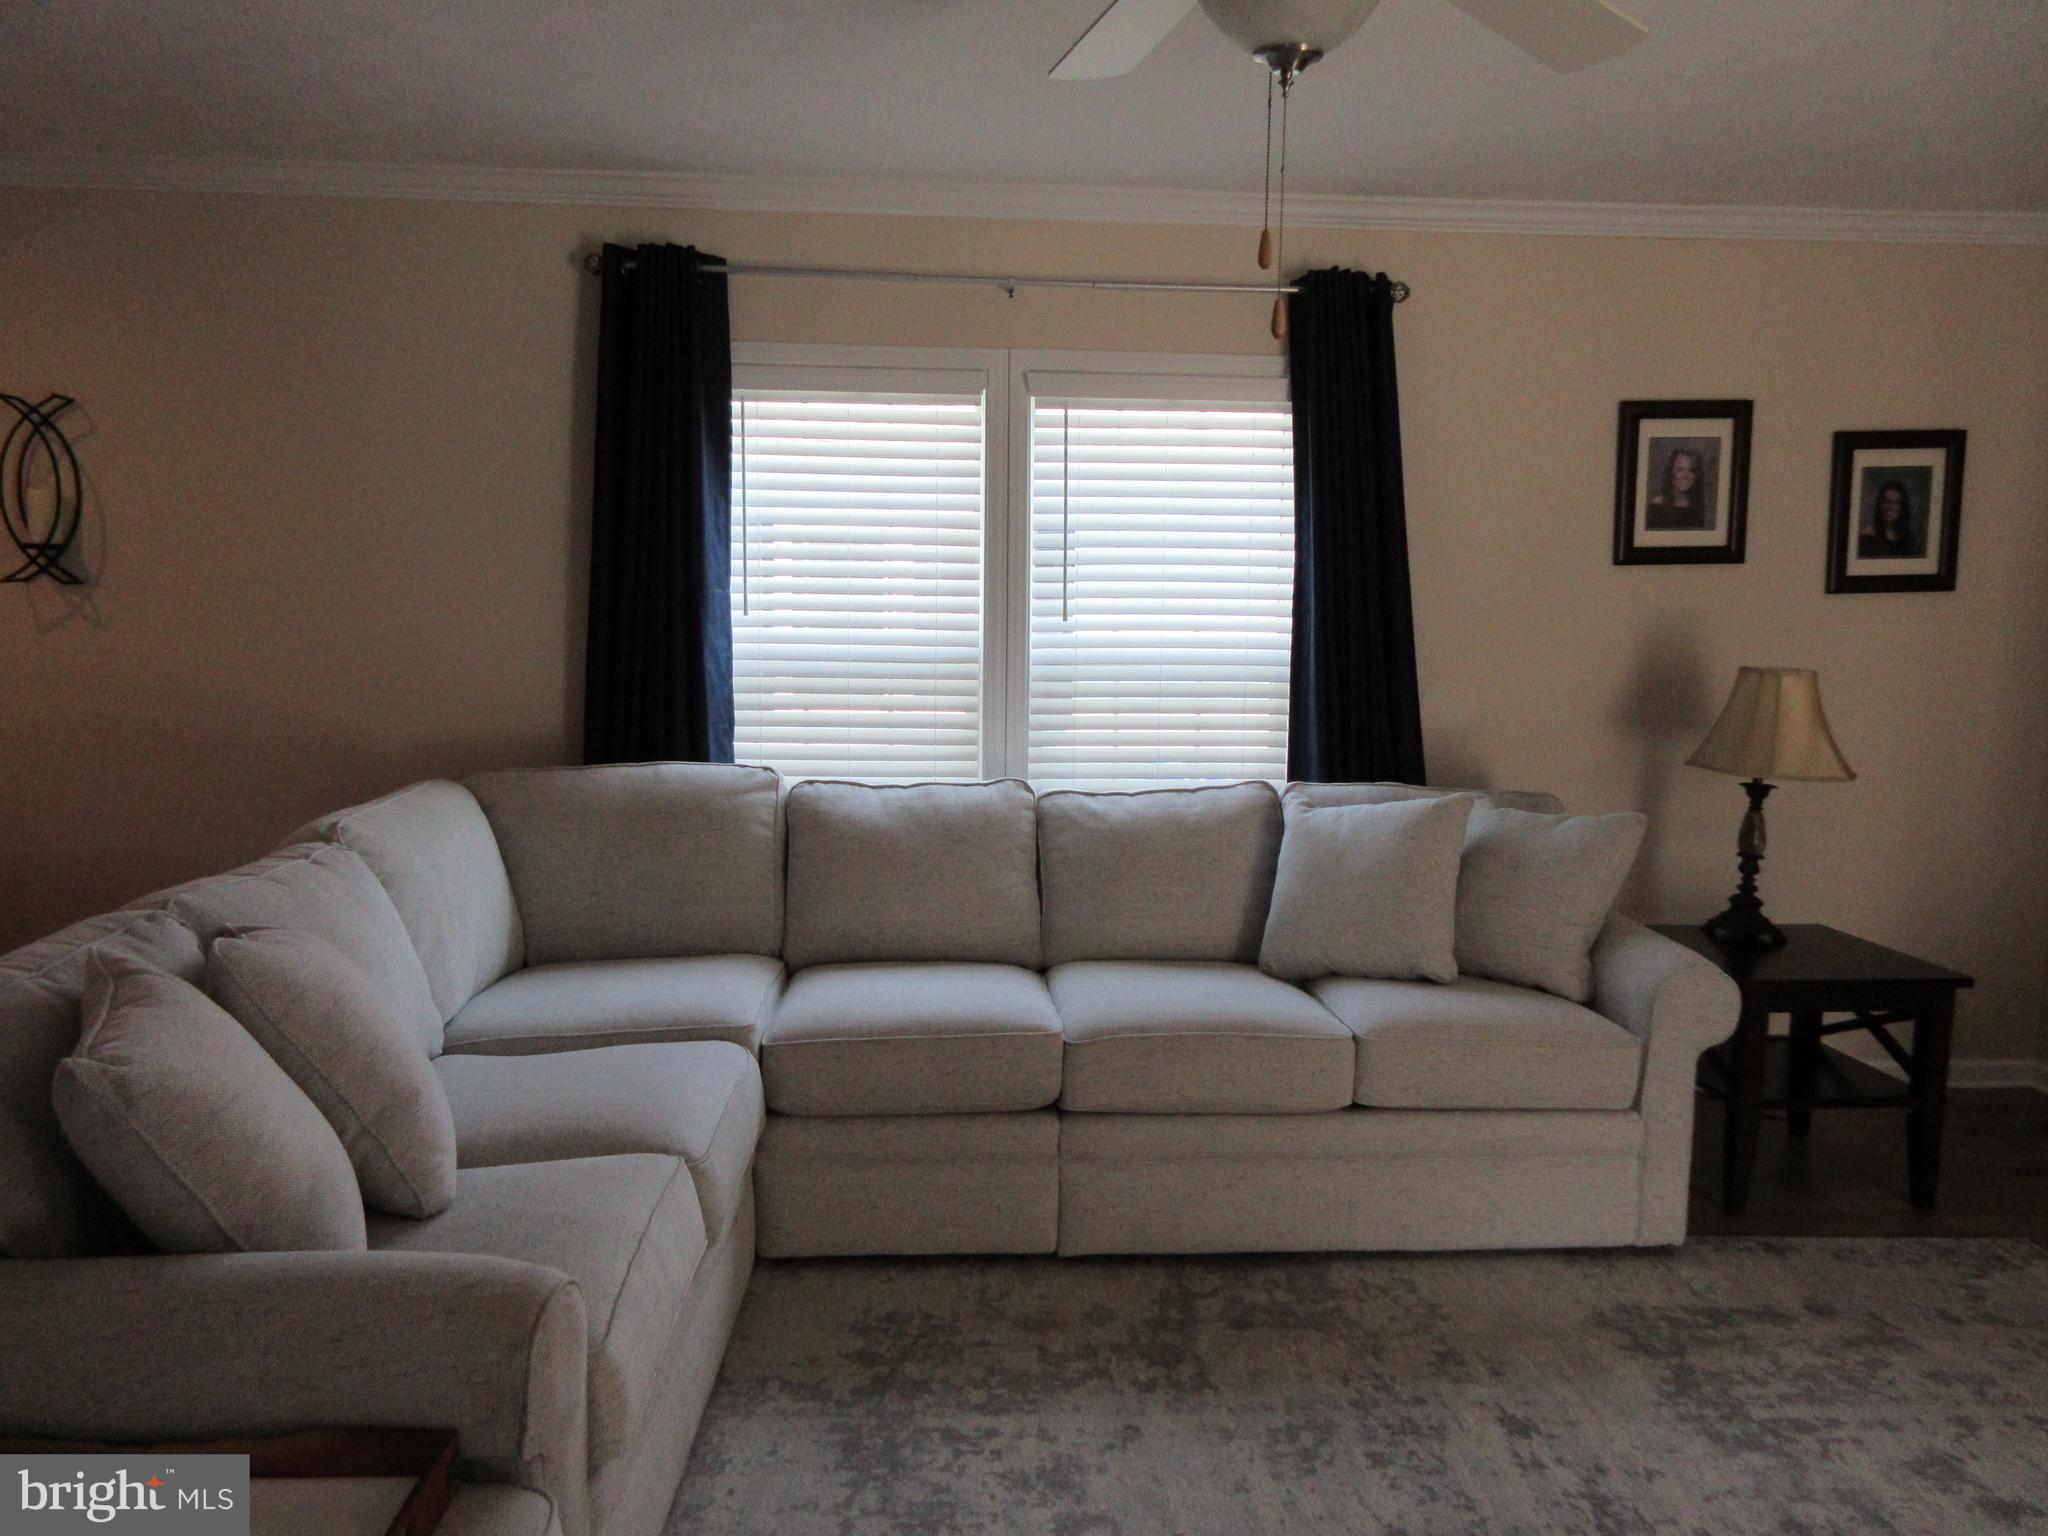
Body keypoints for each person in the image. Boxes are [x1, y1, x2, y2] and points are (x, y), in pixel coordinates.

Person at [1644, 446, 1710, 530]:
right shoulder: (1656, 506)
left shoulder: (1699, 507)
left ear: (1697, 475)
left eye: (1692, 470)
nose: (1685, 475)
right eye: (1680, 470)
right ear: (1670, 472)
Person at [1858, 478, 1921, 558]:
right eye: (1887, 501)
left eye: (1897, 502)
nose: (1891, 507)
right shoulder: (1867, 537)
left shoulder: (1910, 538)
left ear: (1902, 506)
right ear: (1880, 504)